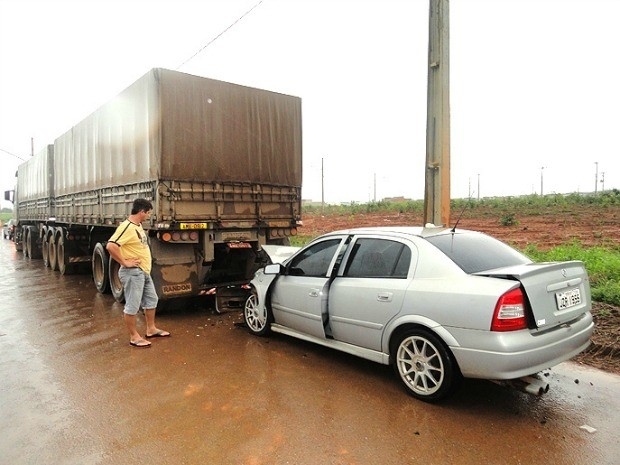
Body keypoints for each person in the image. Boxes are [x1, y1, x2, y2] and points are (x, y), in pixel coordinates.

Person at [106, 198, 170, 348]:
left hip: (143, 271)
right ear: (141, 212)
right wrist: (125, 262)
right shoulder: (126, 227)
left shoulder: (138, 226)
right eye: (148, 213)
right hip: (132, 272)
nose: (149, 216)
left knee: (152, 300)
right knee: (133, 305)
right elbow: (111, 246)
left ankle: (151, 328)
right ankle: (134, 337)